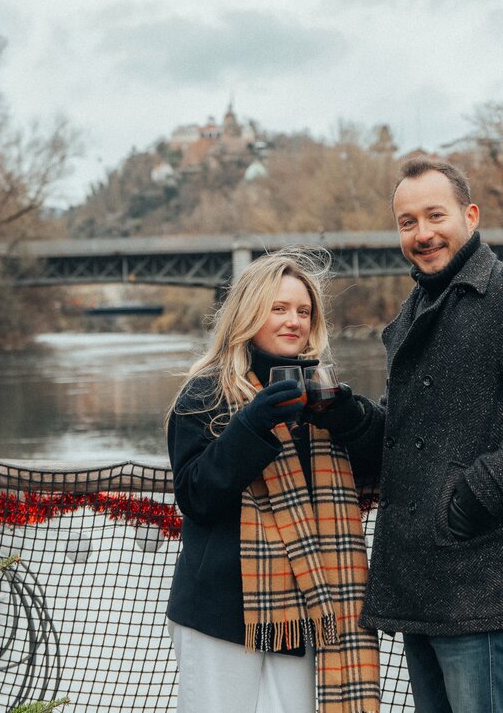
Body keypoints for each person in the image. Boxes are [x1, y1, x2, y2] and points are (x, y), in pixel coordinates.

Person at [306, 158, 503, 712]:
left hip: (477, 580)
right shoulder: (415, 309)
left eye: (435, 215)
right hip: (418, 582)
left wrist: (474, 496)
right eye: (407, 222)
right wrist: (348, 415)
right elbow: (401, 434)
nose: (422, 234)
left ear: (470, 215)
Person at [165, 248, 380, 713]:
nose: (294, 321)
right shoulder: (205, 392)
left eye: (303, 311)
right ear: (249, 313)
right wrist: (252, 423)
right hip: (218, 611)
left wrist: (350, 418)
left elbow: (383, 462)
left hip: (302, 608)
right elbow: (196, 495)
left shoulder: (322, 393)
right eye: (278, 308)